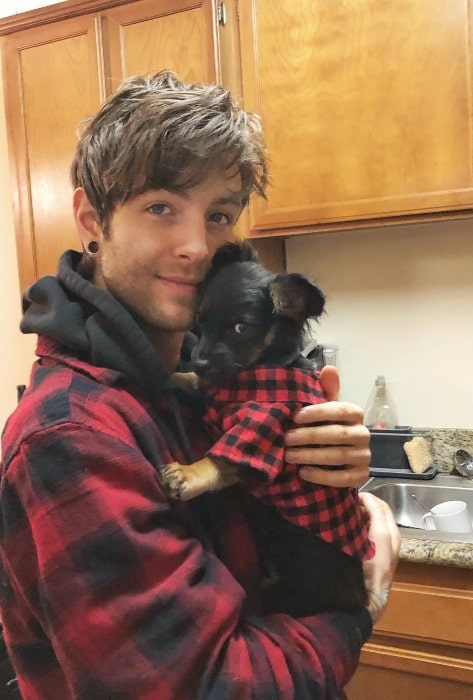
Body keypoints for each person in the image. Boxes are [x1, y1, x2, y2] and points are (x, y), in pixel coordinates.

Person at [0, 71, 400, 700]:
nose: (197, 246)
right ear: (91, 218)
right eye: (161, 207)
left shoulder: (202, 388)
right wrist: (359, 605)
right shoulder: (71, 437)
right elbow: (209, 687)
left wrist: (321, 471)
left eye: (220, 215)